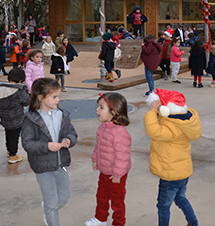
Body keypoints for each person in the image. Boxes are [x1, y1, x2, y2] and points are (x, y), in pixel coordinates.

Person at [22, 78, 78, 226]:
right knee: (52, 202)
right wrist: (47, 146)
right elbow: (27, 143)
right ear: (41, 98)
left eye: (58, 96)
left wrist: (68, 140)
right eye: (54, 97)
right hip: (43, 167)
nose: (58, 100)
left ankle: (47, 207)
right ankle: (51, 216)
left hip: (61, 164)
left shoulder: (62, 115)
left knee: (63, 198)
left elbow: (72, 133)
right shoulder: (31, 119)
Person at [144, 89, 202, 226]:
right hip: (182, 171)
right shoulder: (183, 120)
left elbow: (153, 130)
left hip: (171, 175)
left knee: (163, 206)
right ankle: (193, 223)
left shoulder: (171, 125)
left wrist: (152, 112)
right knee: (180, 198)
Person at [84, 93, 131, 226]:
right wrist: (95, 159)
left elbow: (123, 156)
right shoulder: (102, 127)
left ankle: (119, 222)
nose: (97, 110)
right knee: (101, 196)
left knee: (117, 201)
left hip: (116, 175)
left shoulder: (120, 133)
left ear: (113, 112)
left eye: (101, 107)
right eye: (98, 106)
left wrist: (117, 174)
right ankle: (100, 218)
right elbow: (99, 146)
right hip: (104, 171)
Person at [0, 67, 30, 164]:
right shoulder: (18, 91)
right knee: (14, 137)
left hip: (5, 118)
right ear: (20, 80)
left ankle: (9, 150)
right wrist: (25, 89)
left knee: (8, 134)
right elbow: (27, 101)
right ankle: (13, 155)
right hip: (16, 119)